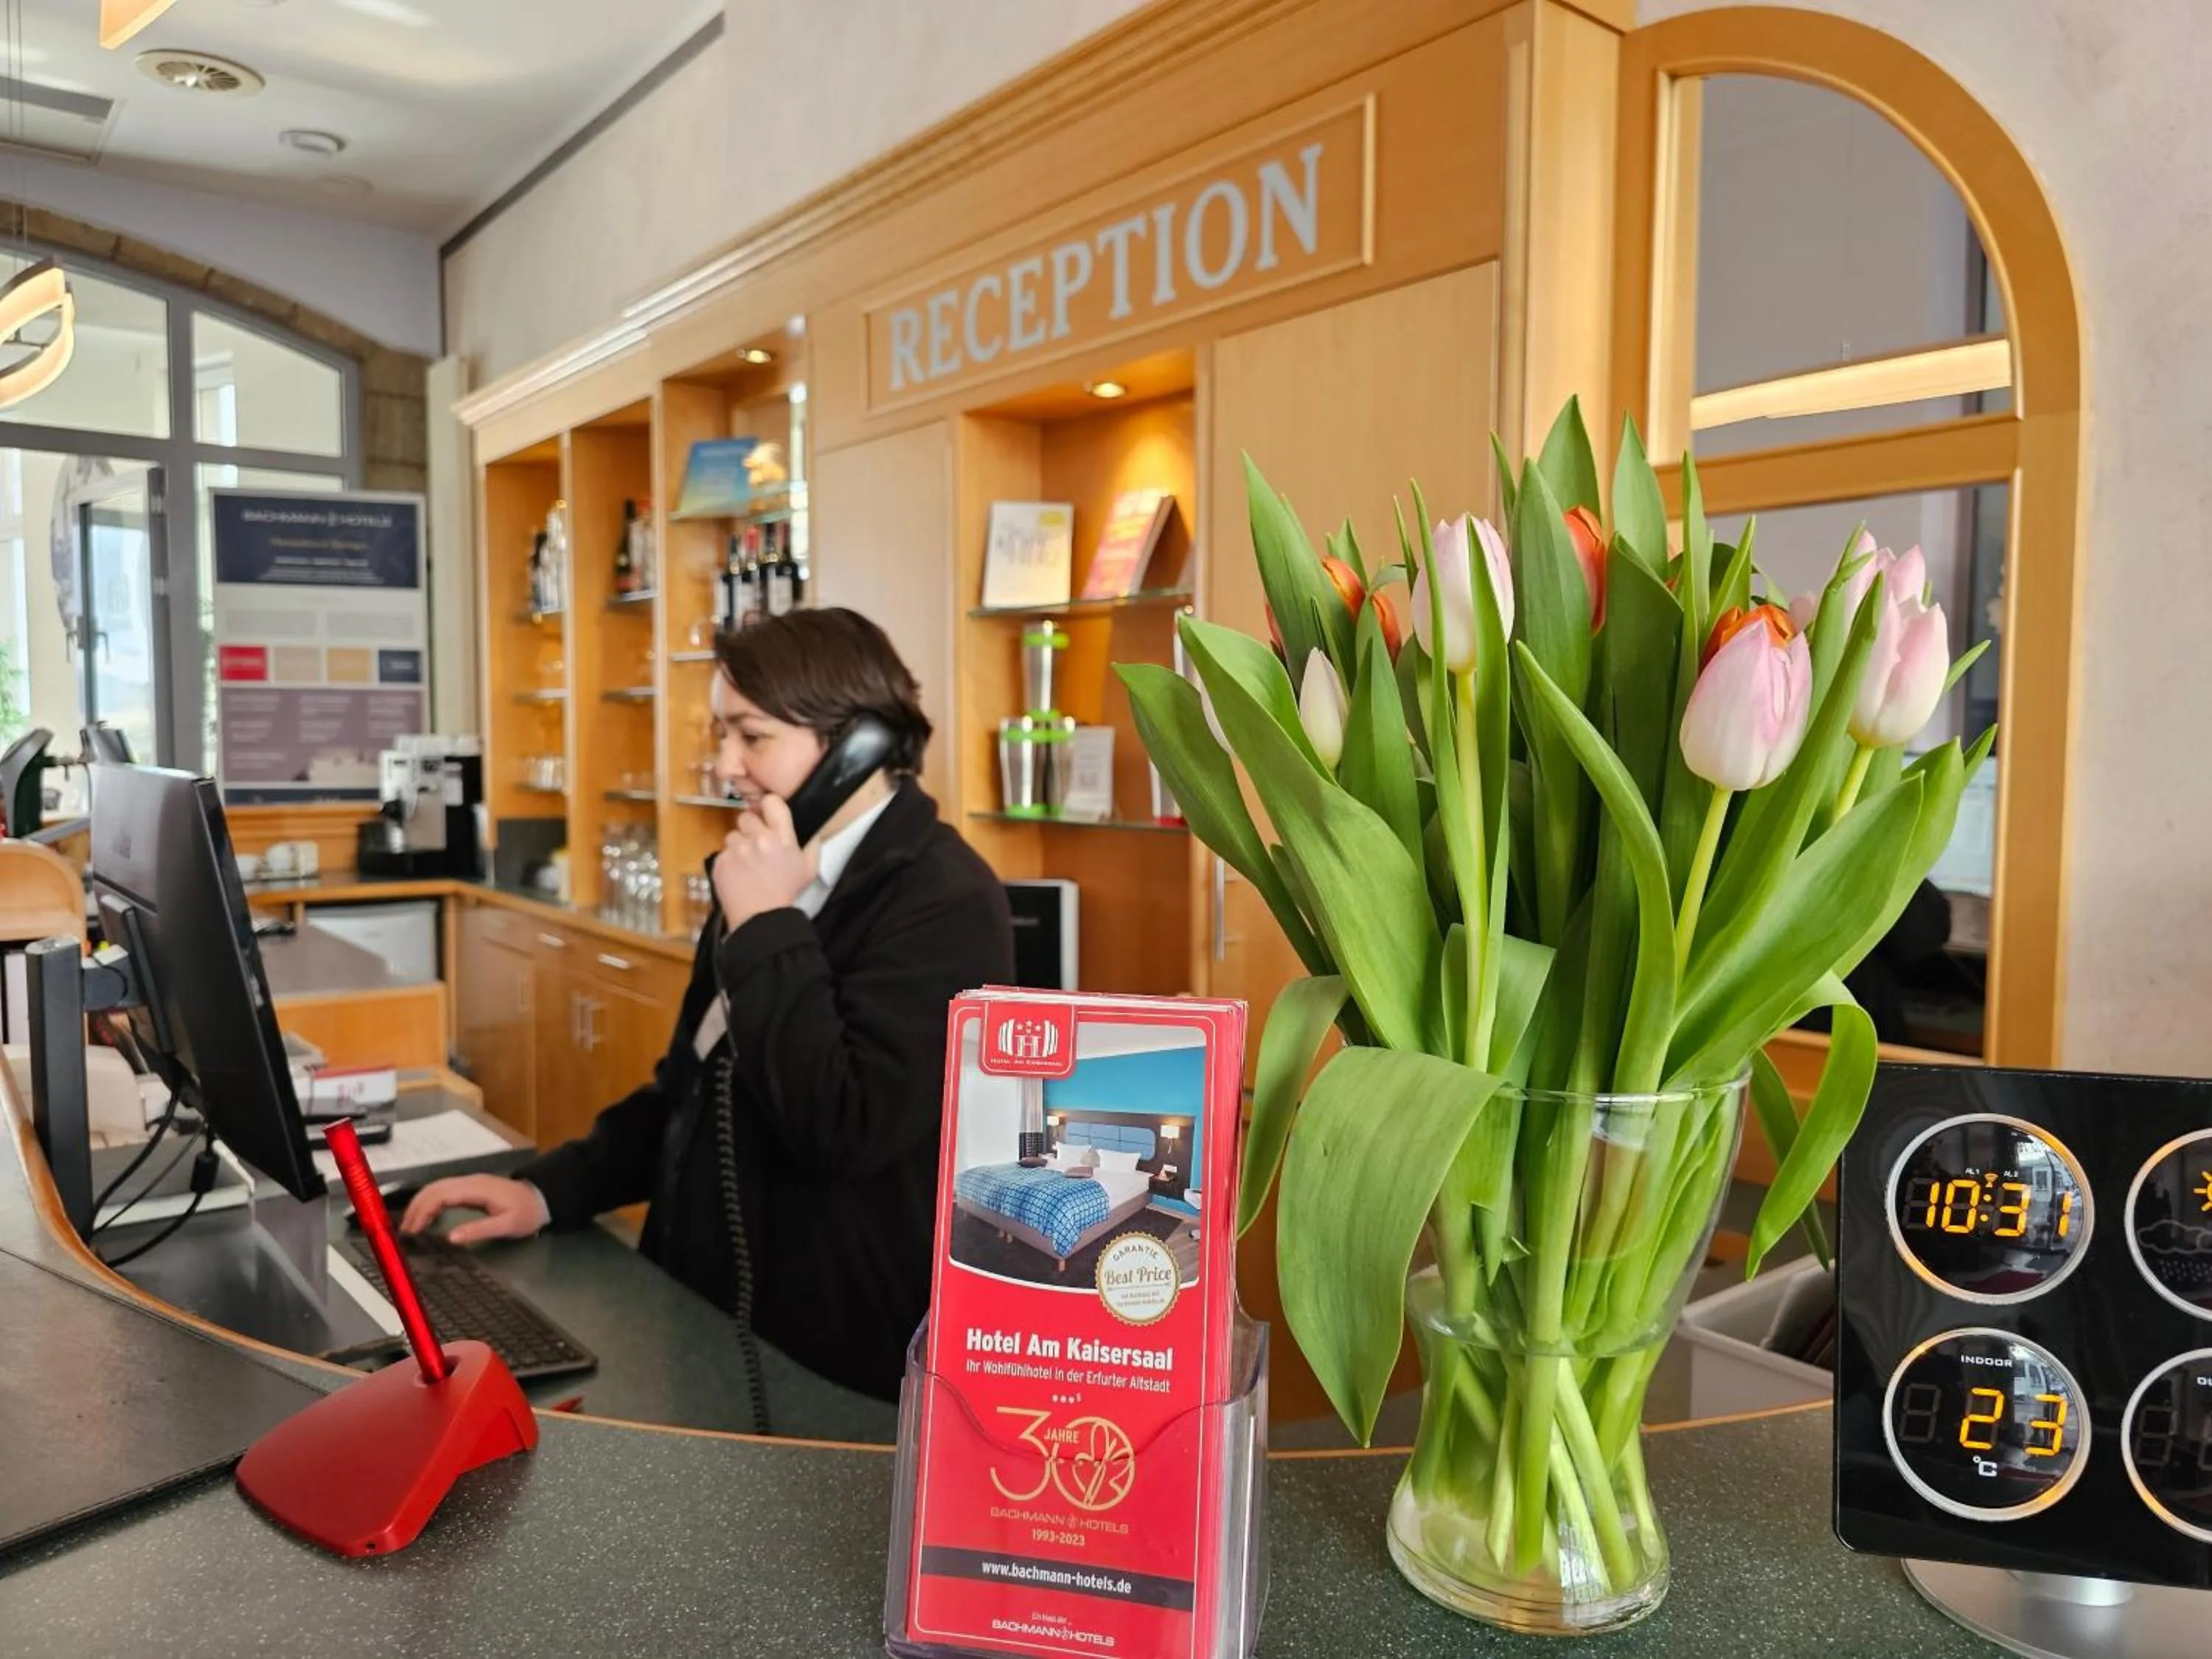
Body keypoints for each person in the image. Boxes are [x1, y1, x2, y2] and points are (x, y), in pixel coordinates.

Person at [403, 608, 1014, 1402]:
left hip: (825, 1366)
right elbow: (691, 1088)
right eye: (722, 734)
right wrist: (547, 1191)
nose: (726, 766)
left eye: (752, 737)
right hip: (693, 1316)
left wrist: (766, 925)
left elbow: (845, 1127)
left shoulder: (945, 900)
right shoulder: (763, 868)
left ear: (858, 744)